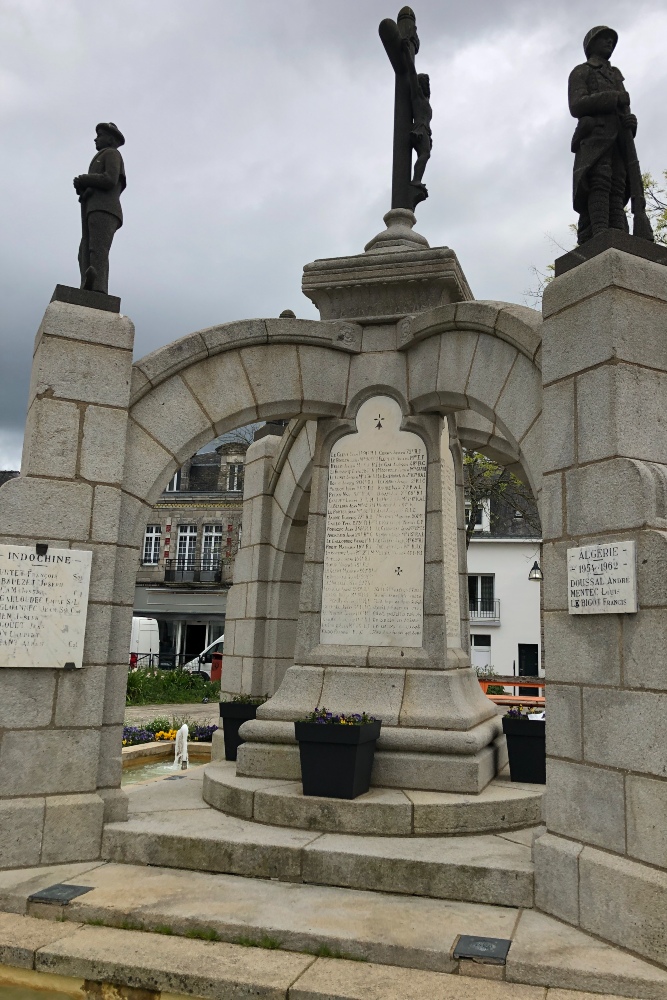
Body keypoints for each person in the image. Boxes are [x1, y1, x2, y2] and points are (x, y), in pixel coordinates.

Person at [568, 27, 637, 244]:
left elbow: (623, 111)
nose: (609, 42)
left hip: (618, 140)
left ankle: (618, 233)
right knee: (600, 182)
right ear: (591, 44)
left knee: (618, 186)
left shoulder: (616, 75)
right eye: (604, 39)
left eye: (612, 40)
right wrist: (613, 97)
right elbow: (577, 105)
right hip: (595, 138)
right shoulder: (582, 71)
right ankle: (599, 233)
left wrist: (631, 123)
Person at [73, 122, 126, 294]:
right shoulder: (103, 155)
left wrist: (86, 179)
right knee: (85, 250)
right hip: (94, 207)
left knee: (97, 249)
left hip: (104, 208)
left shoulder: (112, 154)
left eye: (100, 135)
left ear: (110, 139)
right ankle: (88, 282)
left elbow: (110, 179)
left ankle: (98, 288)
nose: (96, 139)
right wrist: (84, 188)